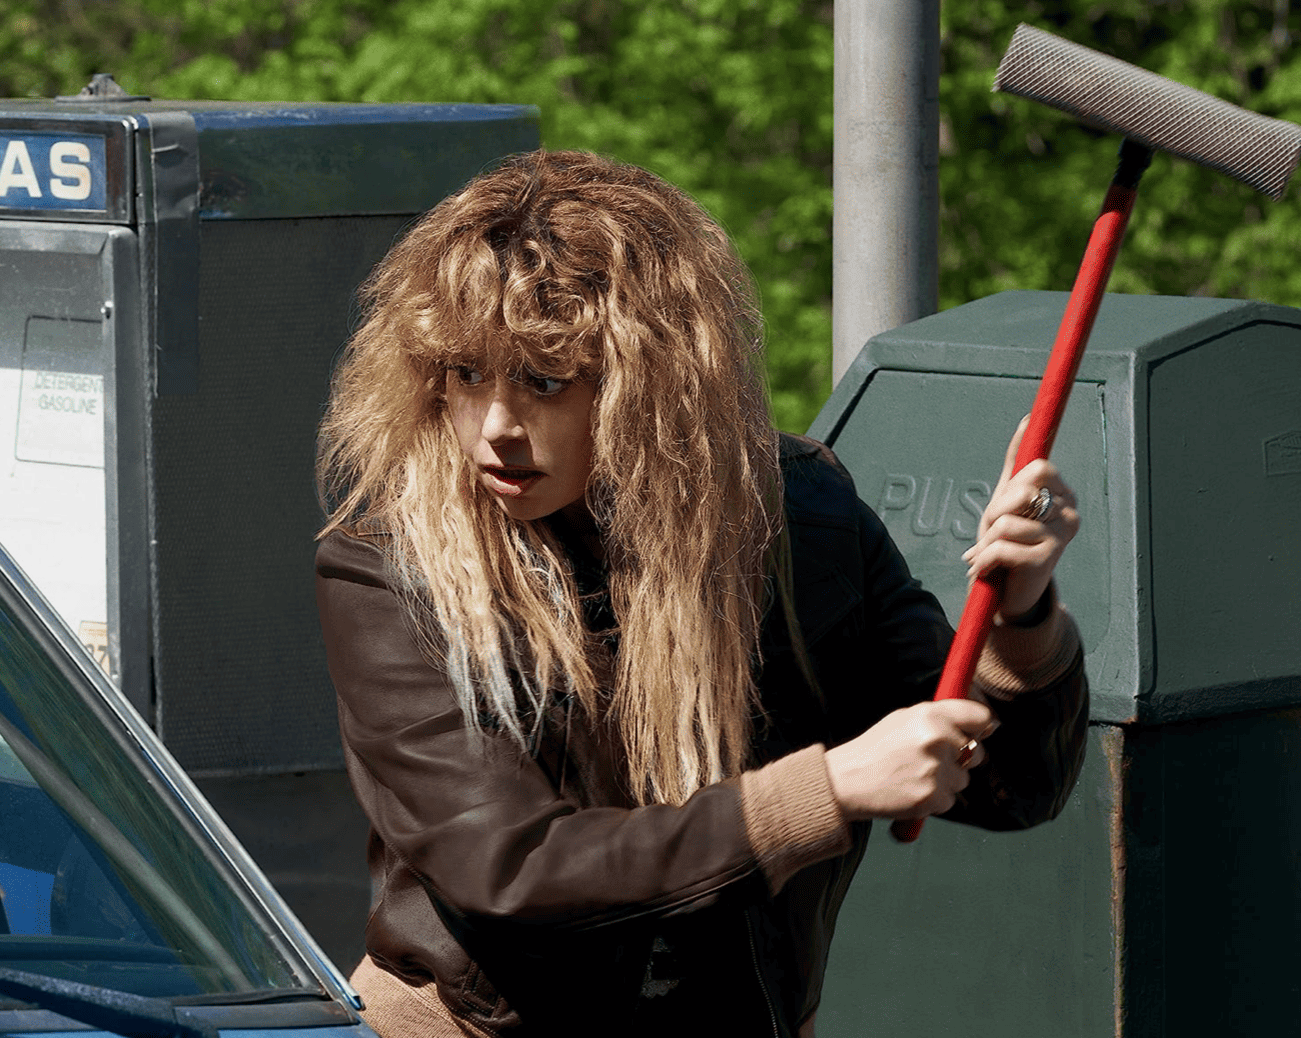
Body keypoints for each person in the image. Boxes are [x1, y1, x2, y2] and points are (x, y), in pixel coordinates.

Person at [313, 150, 1088, 1037]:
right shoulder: (389, 563)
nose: (495, 426)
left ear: (652, 383)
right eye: (466, 374)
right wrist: (821, 793)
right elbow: (510, 869)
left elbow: (1013, 787)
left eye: (543, 379)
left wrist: (1022, 610)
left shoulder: (803, 516)